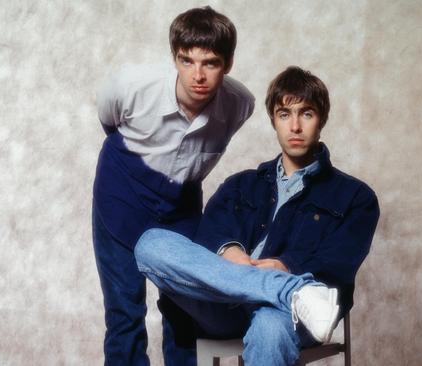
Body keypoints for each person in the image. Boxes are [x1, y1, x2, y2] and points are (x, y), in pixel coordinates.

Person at [134, 66, 380, 365]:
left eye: (307, 113)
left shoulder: (355, 197)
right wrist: (230, 251)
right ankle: (289, 292)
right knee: (150, 244)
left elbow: (338, 263)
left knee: (269, 326)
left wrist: (284, 265)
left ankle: (287, 295)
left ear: (322, 119)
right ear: (274, 120)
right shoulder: (241, 184)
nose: (295, 127)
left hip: (288, 317)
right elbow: (206, 237)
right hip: (227, 303)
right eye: (285, 114)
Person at [92, 6, 254, 365]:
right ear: (174, 57)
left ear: (227, 64)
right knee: (124, 312)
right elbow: (109, 121)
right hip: (122, 193)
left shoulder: (240, 104)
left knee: (184, 310)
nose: (197, 74)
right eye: (187, 60)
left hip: (181, 205)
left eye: (210, 63)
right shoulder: (133, 85)